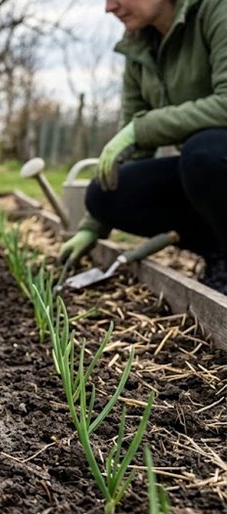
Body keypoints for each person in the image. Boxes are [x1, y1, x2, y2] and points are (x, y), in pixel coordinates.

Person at [58, 0, 227, 294]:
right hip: (205, 169)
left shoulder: (217, 10)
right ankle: (219, 255)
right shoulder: (138, 44)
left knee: (203, 154)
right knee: (105, 194)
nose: (109, 7)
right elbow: (131, 148)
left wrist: (143, 128)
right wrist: (93, 224)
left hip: (213, 160)